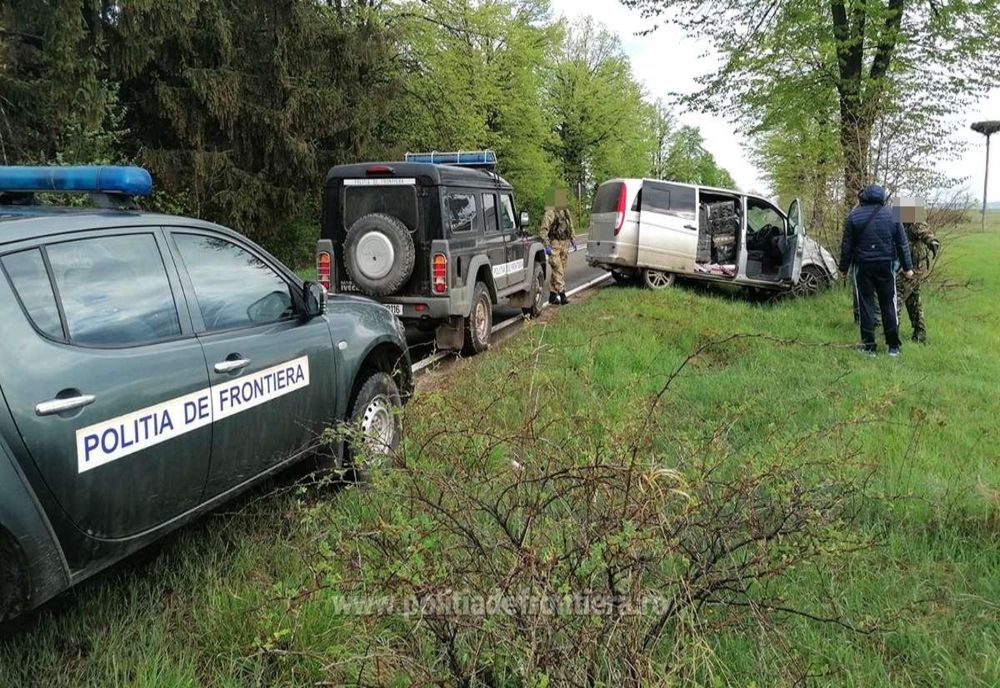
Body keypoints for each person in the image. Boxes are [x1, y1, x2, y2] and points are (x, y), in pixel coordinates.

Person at [838, 184, 914, 357]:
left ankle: (869, 347)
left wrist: (843, 268)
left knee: (865, 305)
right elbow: (902, 243)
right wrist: (908, 268)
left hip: (862, 266)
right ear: (882, 197)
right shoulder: (893, 215)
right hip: (886, 265)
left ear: (863, 197)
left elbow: (846, 246)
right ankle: (893, 347)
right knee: (888, 304)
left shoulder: (853, 216)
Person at [896, 218, 940, 343]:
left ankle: (892, 335)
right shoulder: (899, 219)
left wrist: (932, 242)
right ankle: (920, 333)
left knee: (896, 298)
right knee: (913, 299)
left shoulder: (913, 219)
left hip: (912, 268)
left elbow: (924, 232)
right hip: (908, 267)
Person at [540, 189, 576, 305]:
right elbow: (543, 230)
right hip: (554, 244)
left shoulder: (565, 211)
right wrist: (547, 245)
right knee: (558, 269)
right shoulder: (550, 212)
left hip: (564, 244)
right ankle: (562, 295)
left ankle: (552, 295)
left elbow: (570, 225)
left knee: (559, 271)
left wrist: (572, 239)